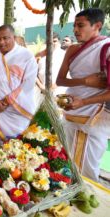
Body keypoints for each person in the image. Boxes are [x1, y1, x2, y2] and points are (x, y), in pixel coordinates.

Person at [56, 8, 110, 182]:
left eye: (80, 25)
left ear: (97, 26)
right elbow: (60, 80)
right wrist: (85, 81)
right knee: (66, 165)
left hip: (92, 117)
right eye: (74, 26)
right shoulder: (72, 49)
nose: (75, 30)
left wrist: (84, 101)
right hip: (70, 112)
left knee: (86, 171)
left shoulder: (106, 49)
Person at [0, 25, 38, 143]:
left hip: (19, 112)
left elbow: (28, 84)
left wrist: (5, 101)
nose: (2, 42)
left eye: (6, 38)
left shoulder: (27, 56)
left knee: (22, 150)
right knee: (0, 150)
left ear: (14, 37)